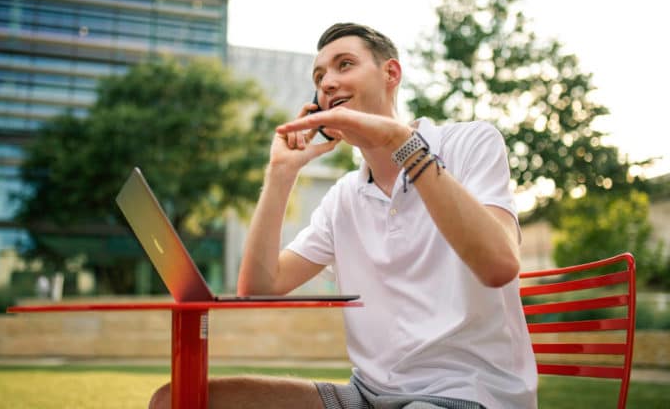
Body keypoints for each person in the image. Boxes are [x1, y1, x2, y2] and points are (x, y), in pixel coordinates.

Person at [148, 23, 537, 408]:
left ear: (391, 73)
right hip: (365, 395)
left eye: (344, 65)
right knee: (174, 399)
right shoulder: (343, 198)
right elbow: (259, 286)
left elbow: (499, 265)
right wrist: (281, 174)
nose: (328, 82)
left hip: (466, 393)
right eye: (320, 76)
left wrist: (399, 143)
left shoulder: (471, 143)